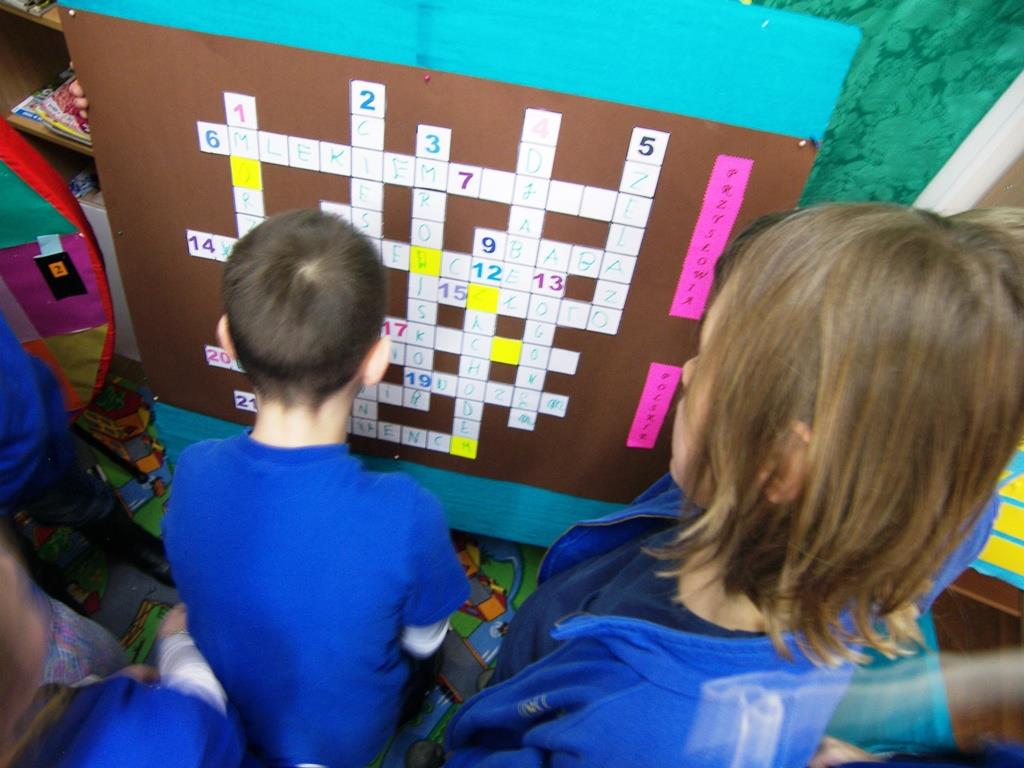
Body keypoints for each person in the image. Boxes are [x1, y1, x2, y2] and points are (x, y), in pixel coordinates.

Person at [435, 204, 1024, 767]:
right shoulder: (934, 510)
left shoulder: (646, 733)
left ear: (780, 467)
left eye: (708, 361)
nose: (685, 373)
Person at [163, 210, 470, 767]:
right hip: (346, 743)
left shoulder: (195, 467)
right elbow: (425, 637)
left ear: (227, 341)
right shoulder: (407, 514)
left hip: (228, 717)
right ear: (376, 361)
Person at [0, 547, 246, 767]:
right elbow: (202, 712)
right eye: (23, 594)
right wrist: (176, 642)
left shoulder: (27, 722)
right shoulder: (138, 739)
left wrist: (102, 688)